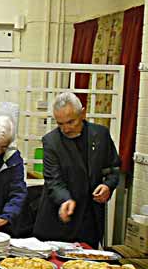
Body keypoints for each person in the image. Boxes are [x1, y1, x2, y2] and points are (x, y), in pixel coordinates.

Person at [33, 92, 121, 248]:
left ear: (83, 113)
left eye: (70, 122)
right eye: (60, 124)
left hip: (90, 220)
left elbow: (113, 169)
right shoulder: (51, 141)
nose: (66, 129)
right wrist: (65, 199)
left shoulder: (100, 135)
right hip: (59, 219)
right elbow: (54, 180)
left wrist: (108, 186)